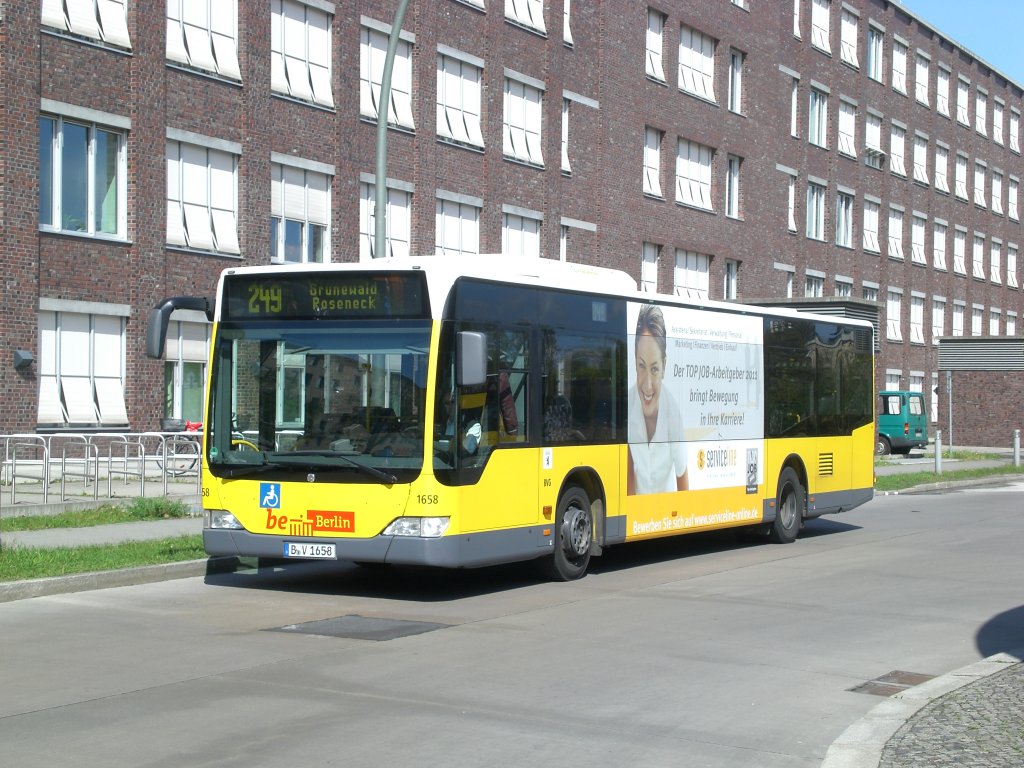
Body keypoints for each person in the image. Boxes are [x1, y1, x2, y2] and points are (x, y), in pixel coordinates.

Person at [627, 304, 688, 494]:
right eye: (641, 366)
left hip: (668, 515)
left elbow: (683, 485)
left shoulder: (674, 415)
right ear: (634, 363)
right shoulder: (626, 406)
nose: (647, 385)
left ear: (664, 367)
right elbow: (628, 476)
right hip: (639, 516)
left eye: (654, 369)